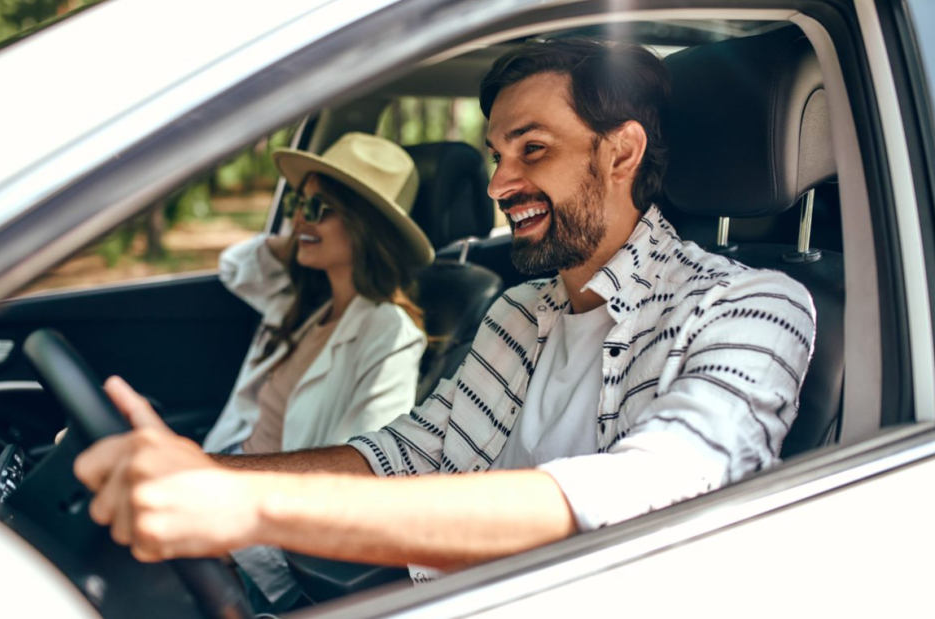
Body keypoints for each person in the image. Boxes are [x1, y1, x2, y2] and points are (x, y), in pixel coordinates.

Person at [74, 37, 816, 589]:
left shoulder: (753, 307)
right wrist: (206, 473)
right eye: (496, 153)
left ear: (621, 154)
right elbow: (398, 455)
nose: (500, 182)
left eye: (532, 149)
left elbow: (644, 492)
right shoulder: (520, 312)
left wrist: (246, 502)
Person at [202, 132, 434, 607]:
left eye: (318, 208)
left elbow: (363, 472)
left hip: (258, 528)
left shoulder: (388, 333)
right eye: (297, 203)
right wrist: (301, 233)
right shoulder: (306, 303)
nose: (298, 218)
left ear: (365, 226)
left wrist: (236, 543)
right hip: (225, 477)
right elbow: (235, 267)